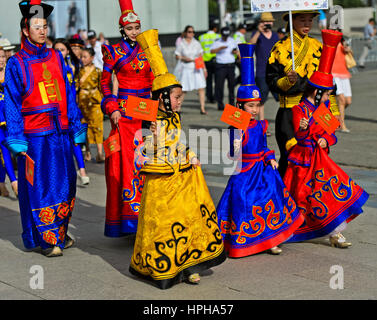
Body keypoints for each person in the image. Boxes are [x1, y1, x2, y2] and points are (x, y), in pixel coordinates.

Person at [129, 29, 226, 289]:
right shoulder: (149, 120)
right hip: (161, 181)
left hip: (182, 176)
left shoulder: (173, 117)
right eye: (177, 97)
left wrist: (191, 155)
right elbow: (144, 151)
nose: (181, 101)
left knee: (186, 219)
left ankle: (189, 264)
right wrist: (152, 139)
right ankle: (164, 267)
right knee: (164, 224)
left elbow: (179, 141)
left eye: (181, 97)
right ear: (162, 98)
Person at [3, 0, 86, 257]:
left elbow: (68, 93)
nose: (43, 30)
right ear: (25, 30)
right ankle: (47, 239)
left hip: (60, 132)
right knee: (40, 186)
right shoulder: (17, 62)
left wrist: (76, 123)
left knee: (67, 183)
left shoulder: (56, 56)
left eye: (45, 26)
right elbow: (12, 103)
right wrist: (16, 137)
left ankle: (59, 233)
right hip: (35, 136)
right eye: (37, 26)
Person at [283, 30, 369, 247]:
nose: (327, 95)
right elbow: (301, 137)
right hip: (303, 160)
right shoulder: (298, 109)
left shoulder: (324, 110)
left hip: (322, 160)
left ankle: (335, 233)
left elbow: (332, 136)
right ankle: (289, 230)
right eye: (325, 92)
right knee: (301, 196)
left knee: (328, 194)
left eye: (329, 92)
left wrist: (326, 141)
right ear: (316, 90)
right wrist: (304, 130)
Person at [216, 43, 303, 258]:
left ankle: (271, 239)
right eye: (250, 106)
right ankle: (242, 240)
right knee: (241, 202)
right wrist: (235, 145)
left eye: (257, 105)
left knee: (269, 200)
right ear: (240, 106)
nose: (254, 110)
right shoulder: (236, 127)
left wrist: (271, 158)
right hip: (244, 171)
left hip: (262, 170)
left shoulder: (261, 125)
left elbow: (264, 148)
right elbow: (233, 152)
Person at [100, 0, 154, 237]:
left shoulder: (149, 48)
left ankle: (150, 213)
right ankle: (129, 218)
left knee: (150, 162)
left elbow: (155, 79)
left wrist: (161, 107)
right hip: (124, 113)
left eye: (137, 27)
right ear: (122, 29)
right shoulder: (112, 51)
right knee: (127, 165)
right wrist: (112, 108)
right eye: (130, 28)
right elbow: (104, 83)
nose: (134, 32)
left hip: (147, 110)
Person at [266, 10, 340, 178]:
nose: (307, 24)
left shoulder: (317, 46)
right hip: (290, 112)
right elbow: (271, 80)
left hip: (316, 111)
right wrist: (288, 81)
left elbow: (328, 81)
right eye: (302, 20)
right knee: (291, 158)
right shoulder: (280, 48)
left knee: (318, 156)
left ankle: (313, 200)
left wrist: (334, 110)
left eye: (310, 20)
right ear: (292, 21)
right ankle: (283, 198)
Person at [53, 38, 90, 185]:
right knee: (61, 143)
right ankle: (64, 174)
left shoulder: (73, 67)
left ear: (67, 51)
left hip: (72, 109)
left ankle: (82, 170)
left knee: (76, 139)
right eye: (56, 50)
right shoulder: (49, 69)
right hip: (57, 110)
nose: (59, 53)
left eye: (62, 50)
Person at [250, 12, 280, 125]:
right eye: (265, 21)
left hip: (275, 72)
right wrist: (258, 31)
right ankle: (262, 124)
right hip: (262, 72)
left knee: (281, 97)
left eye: (269, 21)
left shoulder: (276, 36)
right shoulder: (257, 34)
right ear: (260, 23)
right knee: (261, 100)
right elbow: (250, 46)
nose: (267, 24)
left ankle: (281, 121)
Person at [77, 47, 105, 163]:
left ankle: (99, 152)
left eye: (85, 57)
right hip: (83, 103)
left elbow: (102, 87)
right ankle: (89, 152)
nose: (82, 59)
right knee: (85, 128)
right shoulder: (79, 72)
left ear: (92, 58)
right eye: (81, 57)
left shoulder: (98, 71)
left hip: (95, 102)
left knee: (97, 127)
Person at [174, 25, 207, 115]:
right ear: (185, 33)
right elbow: (177, 55)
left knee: (201, 88)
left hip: (196, 67)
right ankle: (178, 108)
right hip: (185, 67)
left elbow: (201, 56)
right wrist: (183, 58)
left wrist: (204, 69)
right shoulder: (181, 43)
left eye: (192, 32)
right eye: (189, 32)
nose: (191, 33)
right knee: (183, 89)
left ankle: (202, 108)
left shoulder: (197, 43)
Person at [0, 47, 18, 197]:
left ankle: (2, 183)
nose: (1, 60)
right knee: (4, 150)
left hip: (13, 118)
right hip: (1, 121)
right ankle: (13, 181)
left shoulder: (10, 73)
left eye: (2, 56)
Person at [210, 26, 239, 110]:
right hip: (221, 66)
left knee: (231, 86)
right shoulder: (217, 42)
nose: (225, 38)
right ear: (221, 34)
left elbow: (235, 50)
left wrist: (235, 52)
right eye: (224, 36)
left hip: (230, 65)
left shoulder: (232, 40)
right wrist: (220, 48)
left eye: (227, 36)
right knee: (219, 86)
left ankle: (231, 103)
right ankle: (220, 104)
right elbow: (211, 51)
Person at [332, 36, 353, 133]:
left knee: (348, 101)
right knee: (341, 99)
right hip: (334, 73)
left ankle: (335, 114)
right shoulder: (330, 41)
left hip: (344, 73)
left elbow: (350, 54)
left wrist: (348, 49)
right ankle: (342, 124)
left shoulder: (343, 41)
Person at [199, 24, 220, 104]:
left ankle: (209, 97)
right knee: (218, 80)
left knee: (208, 80)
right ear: (215, 28)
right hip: (216, 60)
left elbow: (200, 49)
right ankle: (216, 97)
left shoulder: (202, 37)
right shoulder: (218, 36)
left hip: (206, 60)